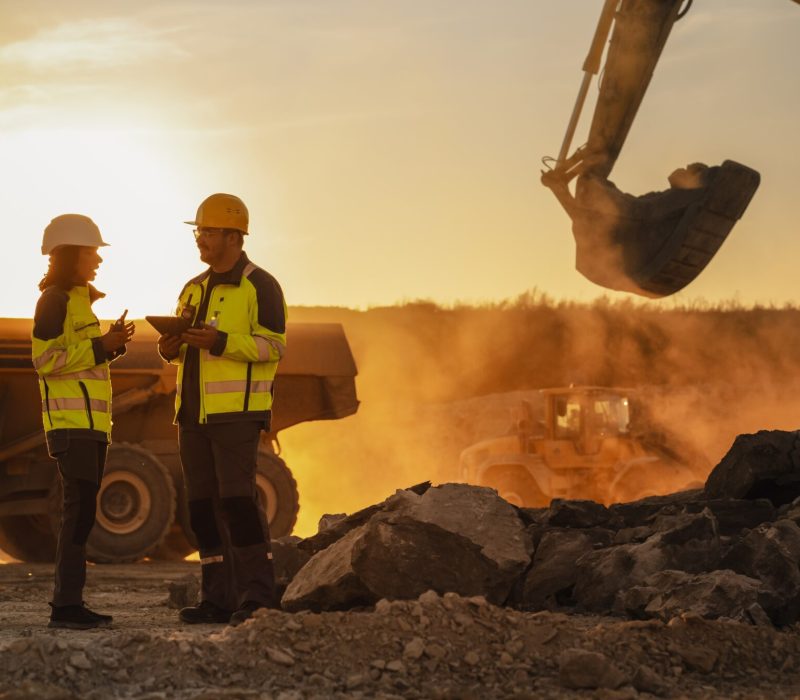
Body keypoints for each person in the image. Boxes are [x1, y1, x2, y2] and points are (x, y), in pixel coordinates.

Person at [158, 193, 286, 626]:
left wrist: (222, 343)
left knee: (237, 503)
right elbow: (183, 355)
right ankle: (217, 598)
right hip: (192, 417)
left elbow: (274, 347)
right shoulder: (192, 287)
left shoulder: (260, 285)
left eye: (208, 232)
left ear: (234, 236)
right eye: (199, 232)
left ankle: (257, 597)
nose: (200, 240)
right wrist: (170, 347)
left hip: (236, 416)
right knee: (201, 508)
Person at [31, 214, 135, 629]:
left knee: (84, 512)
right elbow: (45, 361)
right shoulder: (53, 300)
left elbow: (80, 357)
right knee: (78, 513)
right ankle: (66, 606)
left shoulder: (79, 301)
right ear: (71, 255)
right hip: (70, 426)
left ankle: (70, 603)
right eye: (92, 253)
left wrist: (110, 347)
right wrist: (99, 346)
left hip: (92, 427)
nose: (98, 261)